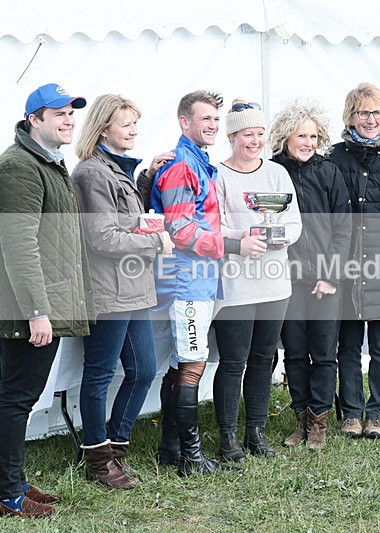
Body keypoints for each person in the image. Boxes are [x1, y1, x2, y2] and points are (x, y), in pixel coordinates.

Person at [0, 83, 91, 518]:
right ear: (33, 120)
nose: (68, 120)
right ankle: (7, 495)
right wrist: (36, 313)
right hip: (27, 308)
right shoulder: (18, 168)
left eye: (71, 113)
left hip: (45, 302)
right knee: (17, 399)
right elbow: (20, 246)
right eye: (57, 113)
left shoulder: (46, 163)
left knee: (19, 396)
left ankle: (15, 483)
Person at [150, 90, 262, 476]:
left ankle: (170, 448)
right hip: (187, 281)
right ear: (185, 122)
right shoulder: (182, 165)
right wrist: (233, 245)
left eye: (216, 119)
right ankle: (191, 458)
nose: (213, 125)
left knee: (183, 362)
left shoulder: (199, 162)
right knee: (192, 365)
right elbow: (180, 229)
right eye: (205, 119)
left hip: (200, 280)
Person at [71, 94, 175, 489]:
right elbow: (101, 238)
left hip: (133, 289)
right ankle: (99, 462)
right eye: (126, 123)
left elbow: (129, 220)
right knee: (98, 375)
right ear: (103, 128)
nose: (134, 130)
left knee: (144, 369)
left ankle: (115, 448)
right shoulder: (91, 174)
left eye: (135, 123)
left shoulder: (117, 171)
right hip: (109, 291)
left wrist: (146, 178)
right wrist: (155, 242)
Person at [212, 100, 302, 462]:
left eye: (260, 134)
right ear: (232, 136)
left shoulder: (278, 174)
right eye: (248, 134)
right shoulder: (218, 175)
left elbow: (294, 223)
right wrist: (241, 238)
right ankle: (228, 436)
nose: (255, 141)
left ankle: (256, 431)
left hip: (274, 282)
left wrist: (277, 237)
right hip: (235, 283)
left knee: (265, 358)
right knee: (234, 361)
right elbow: (212, 226)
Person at [329, 82, 380, 439]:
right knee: (347, 345)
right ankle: (351, 412)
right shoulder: (334, 156)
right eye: (363, 112)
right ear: (351, 116)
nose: (370, 118)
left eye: (376, 112)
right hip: (346, 262)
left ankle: (378, 413)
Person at [269, 101, 351, 450]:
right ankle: (300, 418)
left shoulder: (329, 172)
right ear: (286, 136)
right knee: (295, 353)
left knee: (324, 351)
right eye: (301, 135)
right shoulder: (272, 172)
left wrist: (329, 275)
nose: (308, 142)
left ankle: (319, 421)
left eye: (313, 136)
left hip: (324, 280)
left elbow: (344, 229)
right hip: (286, 278)